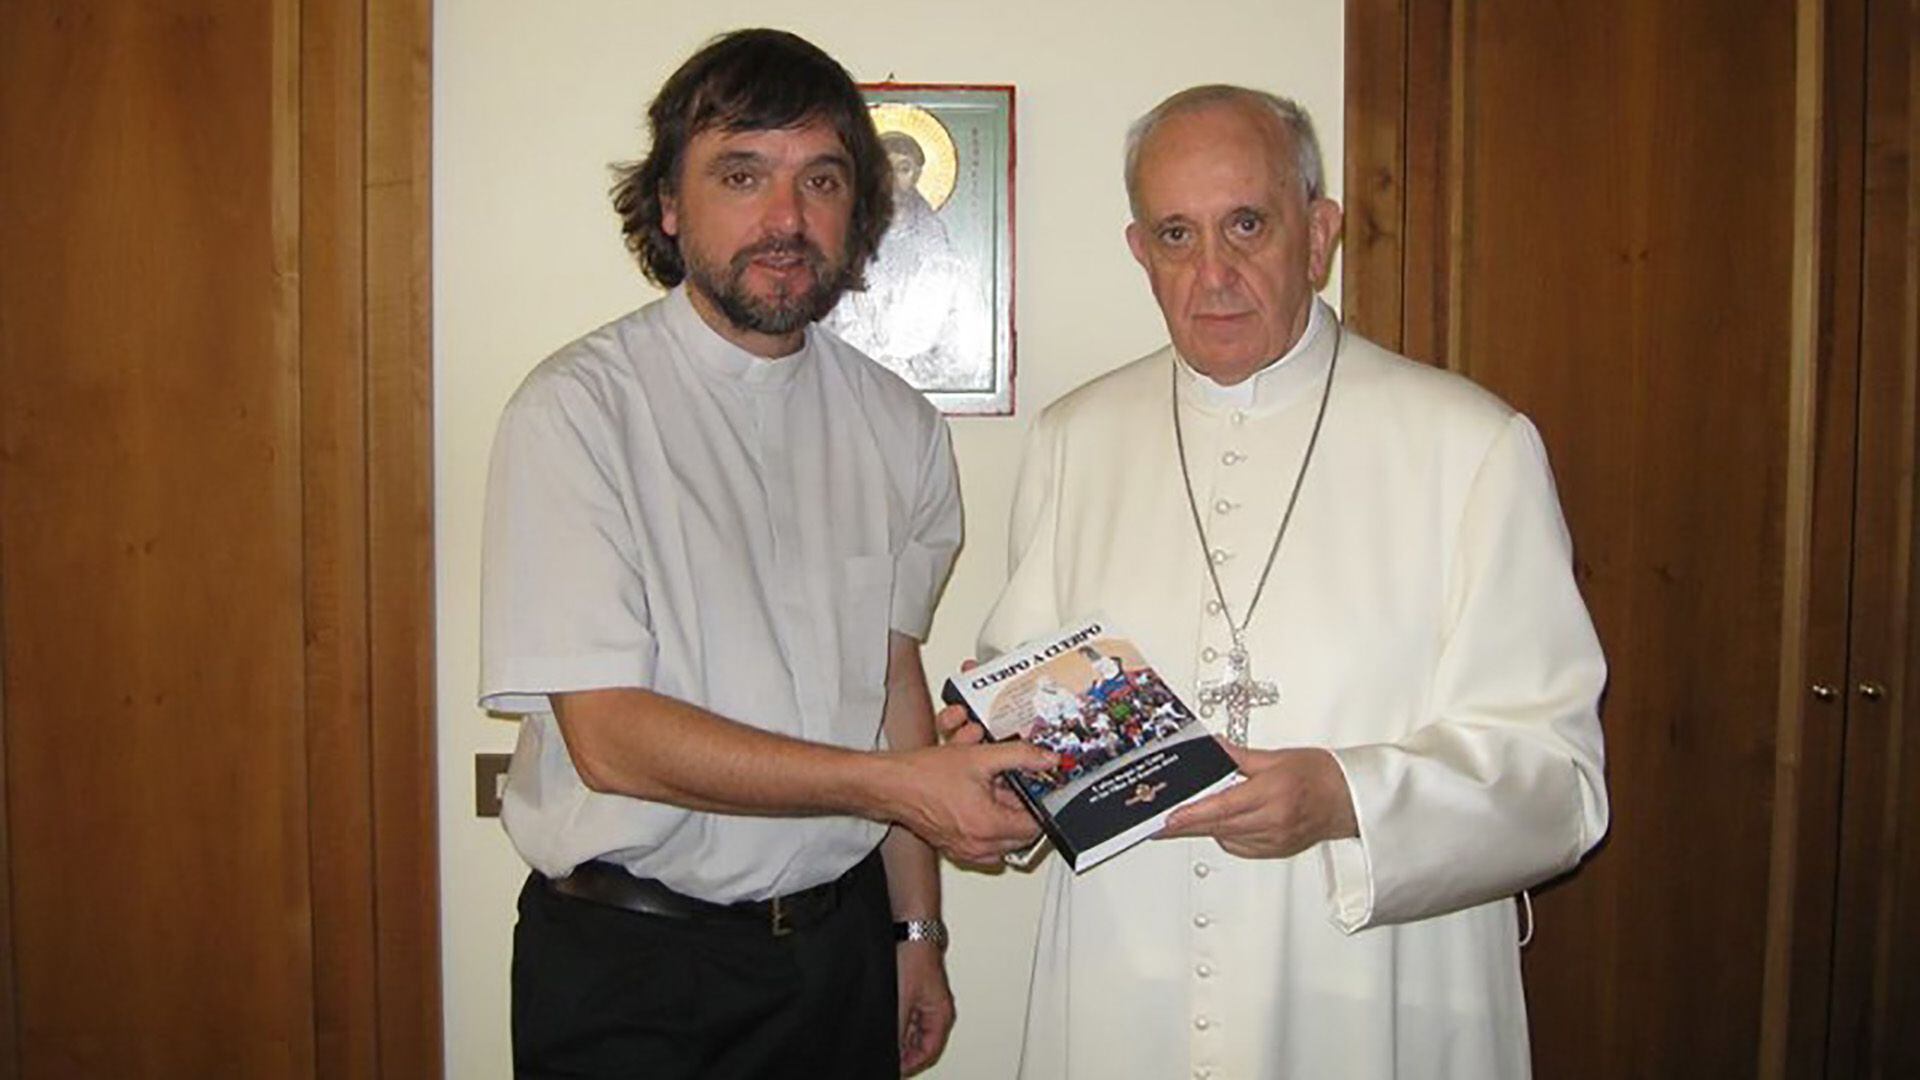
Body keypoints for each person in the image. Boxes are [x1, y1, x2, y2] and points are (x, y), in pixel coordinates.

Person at [966, 85, 1609, 1078]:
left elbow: (1559, 784)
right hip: (1125, 982)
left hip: (1374, 989)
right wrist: (996, 776)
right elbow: (1028, 701)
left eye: (1247, 225)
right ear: (1140, 253)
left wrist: (1346, 797)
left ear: (1317, 235)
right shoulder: (1075, 440)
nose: (1213, 275)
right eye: (1176, 235)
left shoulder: (1471, 446)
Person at [479, 29, 1049, 1080]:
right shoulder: (576, 413)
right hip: (631, 971)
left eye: (819, 179)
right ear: (667, 204)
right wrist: (900, 786)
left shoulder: (901, 426)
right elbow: (611, 740)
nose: (785, 219)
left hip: (839, 958)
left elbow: (891, 679)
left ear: (857, 209)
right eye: (742, 175)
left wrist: (915, 931)